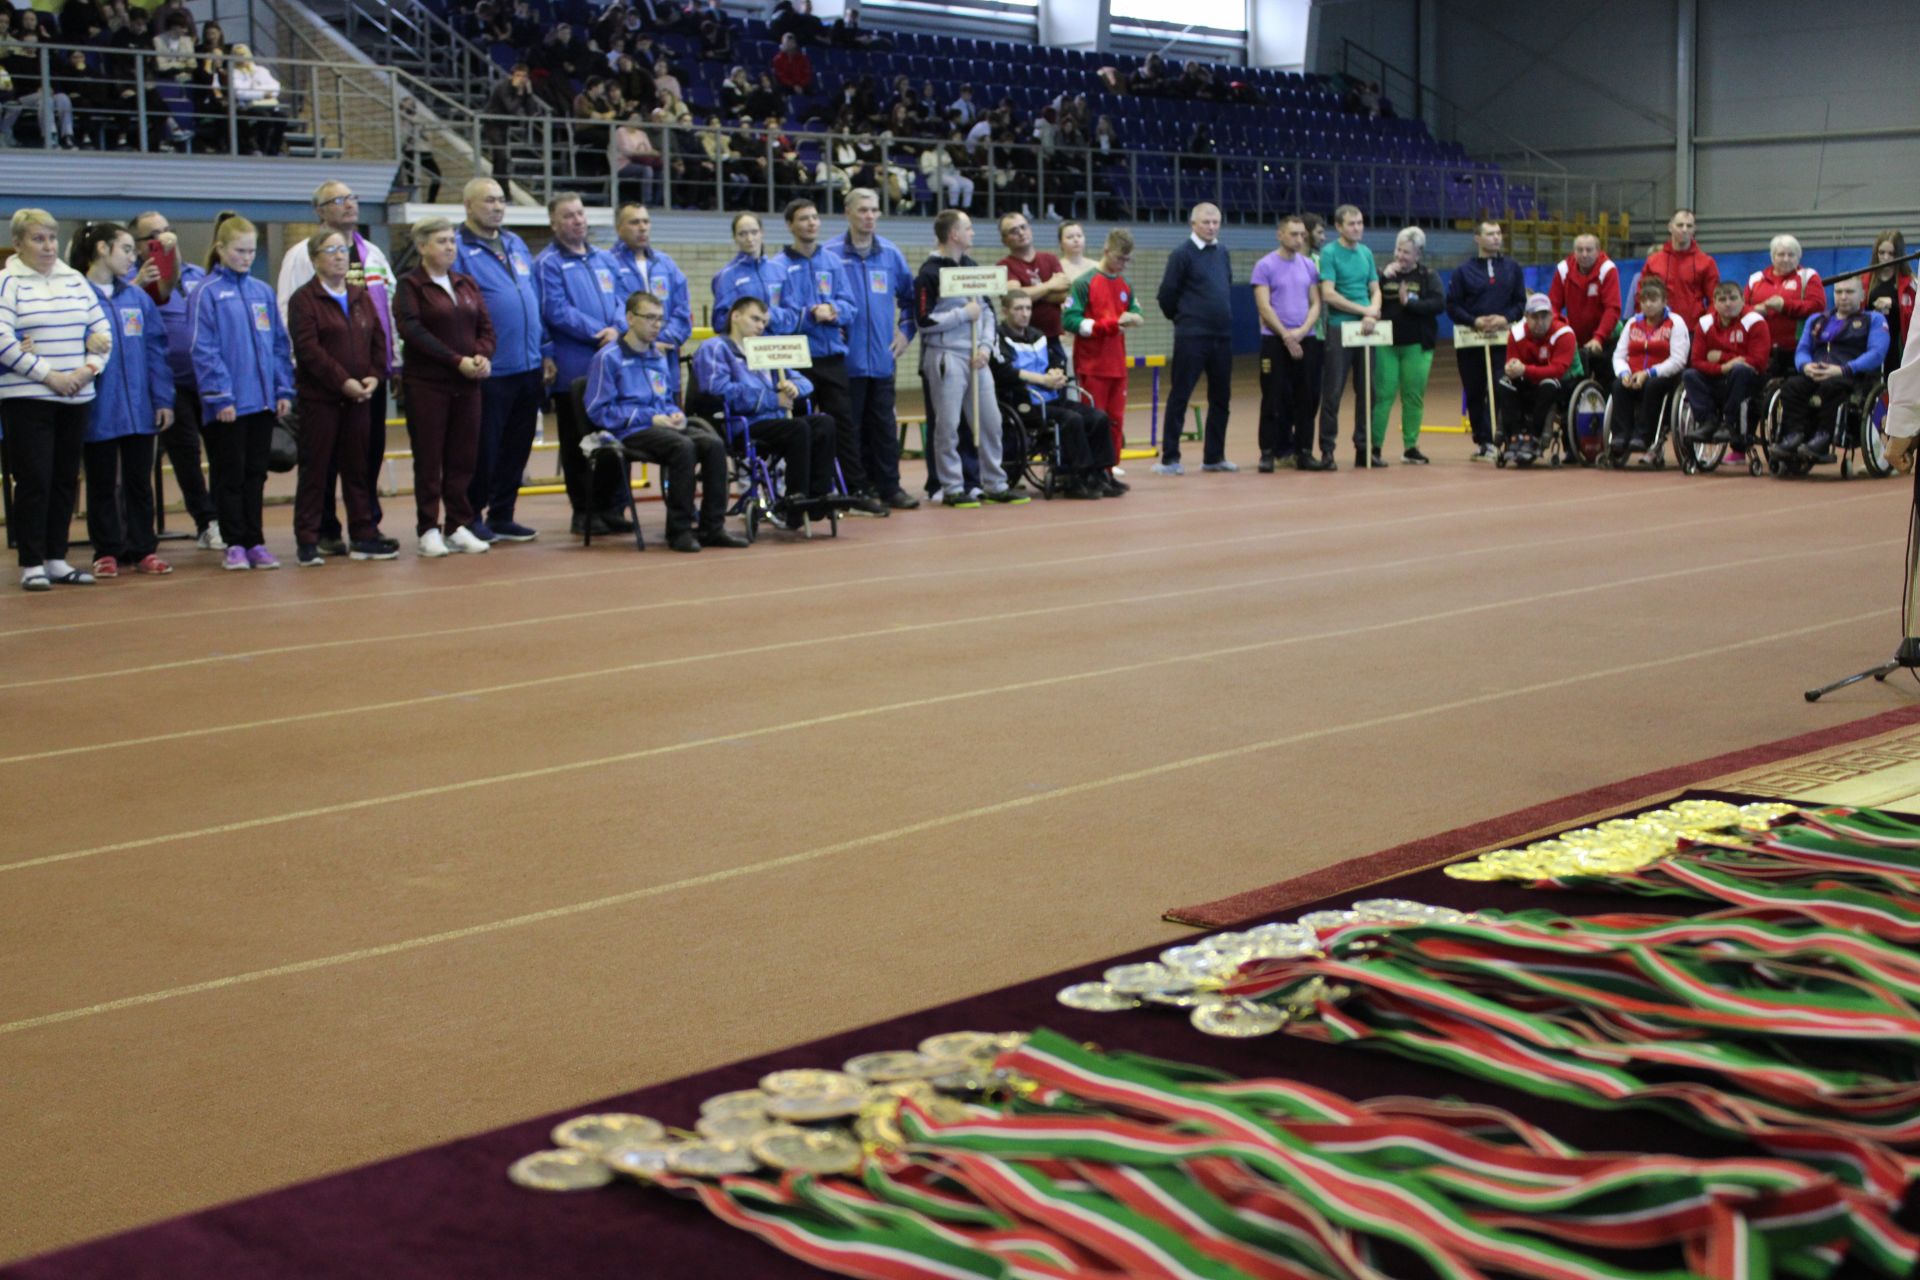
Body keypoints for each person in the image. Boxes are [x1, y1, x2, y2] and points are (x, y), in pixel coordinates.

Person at [276, 180, 397, 555]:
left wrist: (382, 369)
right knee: (321, 464)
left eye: (352, 198)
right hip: (322, 384)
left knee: (364, 459)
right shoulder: (300, 255)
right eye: (338, 200)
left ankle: (366, 528)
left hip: (368, 381)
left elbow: (384, 316)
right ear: (320, 211)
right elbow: (291, 316)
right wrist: (313, 371)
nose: (348, 205)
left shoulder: (372, 252)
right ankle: (322, 531)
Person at [583, 291, 744, 551]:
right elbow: (598, 410)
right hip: (628, 431)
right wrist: (651, 417)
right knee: (683, 448)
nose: (657, 325)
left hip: (662, 425)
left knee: (713, 444)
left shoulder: (658, 357)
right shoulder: (608, 358)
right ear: (630, 318)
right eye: (650, 318)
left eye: (660, 319)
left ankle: (712, 527)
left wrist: (673, 412)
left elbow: (665, 398)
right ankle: (679, 530)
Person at [766, 198, 888, 514]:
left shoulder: (832, 262)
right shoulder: (777, 266)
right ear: (790, 225)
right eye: (804, 218)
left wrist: (834, 311)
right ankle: (802, 494)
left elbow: (851, 306)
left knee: (843, 425)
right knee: (803, 427)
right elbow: (773, 315)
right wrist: (809, 314)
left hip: (831, 357)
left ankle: (856, 490)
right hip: (797, 361)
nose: (811, 223)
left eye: (815, 217)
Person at [191, 214, 293, 570]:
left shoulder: (261, 292)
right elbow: (203, 349)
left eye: (252, 251)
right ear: (220, 250)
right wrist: (220, 396)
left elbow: (279, 345)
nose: (247, 257)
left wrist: (282, 388)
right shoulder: (206, 294)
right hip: (229, 406)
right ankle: (234, 542)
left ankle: (255, 540)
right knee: (229, 474)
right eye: (239, 250)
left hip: (263, 402)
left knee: (255, 474)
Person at [690, 294, 838, 532]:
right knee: (798, 428)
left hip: (776, 422)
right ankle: (794, 500)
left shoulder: (763, 347)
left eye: (764, 321)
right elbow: (718, 390)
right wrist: (771, 399)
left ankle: (819, 496)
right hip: (741, 424)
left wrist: (794, 387)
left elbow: (804, 381)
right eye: (755, 319)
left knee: (824, 422)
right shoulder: (715, 347)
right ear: (735, 316)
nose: (761, 326)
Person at [76, 221, 171, 579]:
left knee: (138, 481)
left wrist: (162, 399)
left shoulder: (138, 299)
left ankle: (144, 548)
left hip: (139, 408)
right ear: (102, 249)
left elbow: (156, 351)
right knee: (101, 482)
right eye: (127, 249)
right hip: (98, 406)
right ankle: (106, 550)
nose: (134, 256)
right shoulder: (78, 295)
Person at [395, 217, 494, 557]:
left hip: (467, 386)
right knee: (429, 458)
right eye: (441, 241)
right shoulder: (410, 286)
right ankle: (428, 528)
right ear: (422, 246)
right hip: (428, 385)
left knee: (462, 457)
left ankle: (458, 524)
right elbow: (414, 333)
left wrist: (482, 356)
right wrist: (456, 361)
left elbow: (485, 326)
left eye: (452, 240)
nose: (450, 247)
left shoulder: (466, 283)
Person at [535, 193, 633, 536]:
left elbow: (623, 301)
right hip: (576, 365)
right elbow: (555, 310)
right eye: (568, 216)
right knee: (579, 443)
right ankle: (585, 511)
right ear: (553, 223)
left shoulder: (603, 259)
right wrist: (597, 332)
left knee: (613, 436)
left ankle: (613, 507)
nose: (577, 220)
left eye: (580, 213)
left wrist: (618, 328)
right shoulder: (548, 263)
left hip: (613, 362)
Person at [456, 177, 547, 544]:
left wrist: (546, 350)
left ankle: (503, 514)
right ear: (468, 207)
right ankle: (472, 515)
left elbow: (533, 298)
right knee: (484, 447)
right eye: (488, 201)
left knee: (518, 444)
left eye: (500, 200)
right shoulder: (460, 248)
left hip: (529, 362)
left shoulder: (514, 243)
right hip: (491, 367)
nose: (497, 207)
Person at [916, 209, 1026, 508]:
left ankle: (995, 483)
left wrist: (986, 348)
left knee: (992, 422)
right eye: (968, 228)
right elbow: (923, 321)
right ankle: (952, 486)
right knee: (948, 425)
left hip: (977, 357)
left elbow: (988, 312)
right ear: (954, 234)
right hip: (946, 356)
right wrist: (962, 314)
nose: (973, 233)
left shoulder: (972, 267)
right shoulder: (929, 271)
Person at [127, 209, 218, 548]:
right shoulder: (132, 282)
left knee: (223, 451)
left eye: (168, 231)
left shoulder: (197, 275)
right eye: (154, 235)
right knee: (186, 454)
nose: (164, 239)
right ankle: (205, 520)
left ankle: (224, 517)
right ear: (138, 246)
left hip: (206, 378)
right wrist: (137, 284)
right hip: (169, 381)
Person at [835, 188, 920, 510]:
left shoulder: (891, 254)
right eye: (862, 210)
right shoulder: (831, 255)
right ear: (848, 212)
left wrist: (905, 333)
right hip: (847, 361)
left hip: (883, 359)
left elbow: (910, 302)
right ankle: (857, 489)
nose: (869, 216)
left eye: (874, 210)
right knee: (851, 429)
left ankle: (890, 488)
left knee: (884, 426)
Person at [992, 289, 1119, 498]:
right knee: (1072, 420)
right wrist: (1042, 380)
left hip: (1051, 397)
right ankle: (1076, 476)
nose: (1024, 313)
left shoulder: (1038, 335)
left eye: (1028, 308)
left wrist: (1056, 373)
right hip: (1024, 402)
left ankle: (1101, 474)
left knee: (1098, 417)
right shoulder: (999, 337)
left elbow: (1054, 361)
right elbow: (1004, 371)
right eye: (1018, 309)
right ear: (1005, 311)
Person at [1153, 202, 1234, 474]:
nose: (1211, 227)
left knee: (1221, 397)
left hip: (1222, 336)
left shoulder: (1222, 252)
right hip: (1192, 336)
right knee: (1180, 396)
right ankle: (1170, 458)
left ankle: (1214, 457)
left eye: (1216, 222)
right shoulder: (1181, 255)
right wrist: (1184, 319)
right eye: (1206, 222)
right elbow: (1166, 295)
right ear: (1193, 224)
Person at [1774, 276, 1890, 461]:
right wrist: (1805, 366)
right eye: (1839, 292)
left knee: (1832, 387)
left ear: (1862, 295)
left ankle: (1823, 437)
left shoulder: (1873, 319)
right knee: (1791, 386)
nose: (1843, 296)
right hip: (1816, 372)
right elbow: (1803, 349)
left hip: (1851, 376)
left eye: (1849, 292)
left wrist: (1844, 369)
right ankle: (1794, 435)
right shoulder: (1817, 319)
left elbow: (1877, 353)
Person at [1444, 218, 1526, 460]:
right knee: (1474, 390)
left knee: (1503, 387)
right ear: (1477, 239)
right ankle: (1483, 441)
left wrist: (1505, 318)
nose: (1496, 238)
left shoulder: (1513, 268)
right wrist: (1474, 321)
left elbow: (1520, 303)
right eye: (1490, 234)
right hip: (1472, 343)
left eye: (1499, 233)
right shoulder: (1462, 272)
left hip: (1504, 342)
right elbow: (1453, 305)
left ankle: (1503, 436)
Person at [1063, 227, 1143, 471]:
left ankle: (1110, 465)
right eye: (1120, 258)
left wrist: (1136, 317)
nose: (1123, 264)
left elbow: (1135, 310)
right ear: (1106, 251)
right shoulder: (1084, 283)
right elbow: (1069, 320)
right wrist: (1107, 326)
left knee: (1116, 419)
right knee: (1095, 418)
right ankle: (1092, 468)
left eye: (1127, 260)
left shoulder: (1125, 284)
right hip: (1092, 364)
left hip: (1118, 364)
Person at [1250, 214, 1322, 472]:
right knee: (1272, 396)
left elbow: (1315, 303)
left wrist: (1302, 331)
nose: (1299, 239)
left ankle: (1304, 452)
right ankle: (1268, 452)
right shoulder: (1264, 266)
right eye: (1293, 234)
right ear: (1280, 235)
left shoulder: (1309, 266)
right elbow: (1263, 306)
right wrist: (1286, 334)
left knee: (1306, 397)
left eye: (1302, 234)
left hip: (1306, 340)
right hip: (1275, 341)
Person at [1317, 203, 1382, 469]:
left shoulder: (1366, 252)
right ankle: (1327, 450)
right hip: (1340, 328)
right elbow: (1329, 294)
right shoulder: (1330, 253)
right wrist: (1363, 309)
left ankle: (1363, 449)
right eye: (1352, 224)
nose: (1357, 228)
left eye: (1360, 223)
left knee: (1369, 392)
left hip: (1367, 328)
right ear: (1339, 227)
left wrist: (1372, 312)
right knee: (1333, 391)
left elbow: (1375, 288)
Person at [1373, 224, 1441, 465]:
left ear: (1418, 255)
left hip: (1417, 345)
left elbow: (1437, 304)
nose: (1401, 256)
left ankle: (1410, 447)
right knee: (1383, 395)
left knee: (1413, 396)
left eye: (1407, 252)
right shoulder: (1383, 274)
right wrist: (1381, 277)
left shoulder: (1427, 276)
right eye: (1398, 250)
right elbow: (1369, 297)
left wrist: (1409, 302)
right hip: (1386, 344)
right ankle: (1374, 447)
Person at [1608, 275, 1689, 457]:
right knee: (1618, 386)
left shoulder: (1675, 323)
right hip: (1633, 375)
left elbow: (1678, 359)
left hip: (1664, 377)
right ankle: (1621, 435)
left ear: (1664, 301)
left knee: (1653, 386)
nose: (1648, 304)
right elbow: (1619, 355)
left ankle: (1644, 436)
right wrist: (1625, 373)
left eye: (1653, 300)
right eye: (1644, 300)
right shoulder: (1632, 323)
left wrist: (1649, 373)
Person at [1682, 281, 1769, 449]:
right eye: (1722, 300)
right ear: (1714, 302)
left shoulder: (1755, 321)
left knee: (1739, 370)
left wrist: (1721, 357)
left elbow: (1758, 361)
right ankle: (1707, 422)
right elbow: (1697, 361)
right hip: (1718, 377)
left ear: (1743, 300)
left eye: (1733, 298)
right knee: (1689, 375)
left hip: (1748, 380)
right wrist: (1724, 366)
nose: (1728, 303)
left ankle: (1729, 423)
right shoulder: (1705, 323)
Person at [1495, 293, 1573, 465]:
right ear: (1526, 318)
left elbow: (1557, 370)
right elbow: (1512, 362)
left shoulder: (1564, 334)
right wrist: (1510, 368)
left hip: (1555, 386)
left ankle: (1535, 437)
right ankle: (1514, 437)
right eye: (1534, 317)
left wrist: (1525, 370)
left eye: (1544, 316)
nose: (1539, 322)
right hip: (1526, 383)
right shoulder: (1515, 334)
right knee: (1503, 383)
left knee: (1549, 384)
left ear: (1551, 316)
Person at [609, 203, 689, 363]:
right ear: (619, 228)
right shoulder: (608, 264)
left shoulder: (666, 264)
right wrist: (644, 343)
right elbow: (613, 312)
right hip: (628, 358)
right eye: (634, 222)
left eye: (646, 222)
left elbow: (682, 310)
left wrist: (666, 338)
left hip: (665, 355)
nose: (642, 227)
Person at [1549, 233, 1622, 394]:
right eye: (1579, 250)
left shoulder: (1607, 269)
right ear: (1574, 251)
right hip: (1575, 338)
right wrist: (1562, 332)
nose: (1584, 254)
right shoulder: (1563, 269)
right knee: (1573, 381)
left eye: (1589, 250)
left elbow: (1612, 308)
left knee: (1607, 381)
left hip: (1605, 337)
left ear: (1598, 251)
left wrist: (1599, 337)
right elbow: (1553, 307)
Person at [1743, 234, 1824, 378]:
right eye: (1781, 254)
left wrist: (1784, 305)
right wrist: (1755, 310)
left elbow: (1817, 306)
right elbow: (1740, 312)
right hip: (1761, 349)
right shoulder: (1755, 279)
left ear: (1799, 257)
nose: (1786, 259)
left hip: (1796, 348)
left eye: (1791, 254)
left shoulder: (1808, 276)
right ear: (1772, 256)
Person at [1640, 209, 1718, 328]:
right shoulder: (1653, 261)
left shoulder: (1707, 263)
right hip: (1657, 329)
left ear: (1694, 229)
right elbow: (1641, 295)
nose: (1684, 229)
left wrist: (1704, 327)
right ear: (1670, 227)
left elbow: (1715, 300)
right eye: (1680, 225)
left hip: (1693, 330)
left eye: (1689, 226)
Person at [996, 211, 1068, 340]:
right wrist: (1050, 285)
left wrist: (1029, 292)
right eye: (1013, 231)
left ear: (1030, 229)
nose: (1021, 233)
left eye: (1023, 227)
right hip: (1020, 338)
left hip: (1052, 338)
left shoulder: (1050, 259)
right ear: (1004, 240)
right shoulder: (1003, 266)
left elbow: (1063, 294)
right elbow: (1014, 298)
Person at [711, 211, 776, 336]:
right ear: (734, 238)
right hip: (744, 350)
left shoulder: (779, 271)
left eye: (754, 232)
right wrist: (749, 320)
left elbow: (793, 314)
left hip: (778, 350)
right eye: (742, 234)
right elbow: (719, 323)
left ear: (762, 233)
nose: (750, 239)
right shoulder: (726, 277)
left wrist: (772, 316)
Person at [1861, 230, 1914, 380]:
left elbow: (1915, 318)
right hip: (1870, 341)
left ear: (1899, 254)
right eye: (1881, 252)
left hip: (1898, 343)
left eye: (1891, 254)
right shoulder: (1864, 280)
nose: (1885, 258)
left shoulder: (1910, 283)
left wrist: (1895, 305)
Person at [481, 63, 542, 178]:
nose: (521, 79)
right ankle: (503, 187)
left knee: (501, 159)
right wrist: (518, 92)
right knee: (501, 156)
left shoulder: (524, 89)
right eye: (518, 75)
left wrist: (529, 94)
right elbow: (511, 108)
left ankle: (501, 184)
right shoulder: (503, 86)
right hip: (492, 122)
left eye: (524, 76)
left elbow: (531, 112)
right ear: (512, 76)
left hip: (503, 125)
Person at [227, 44, 284, 155]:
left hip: (267, 105)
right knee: (264, 117)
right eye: (238, 55)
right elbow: (240, 93)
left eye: (244, 54)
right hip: (247, 106)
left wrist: (255, 90)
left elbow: (275, 87)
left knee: (282, 117)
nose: (242, 57)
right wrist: (262, 93)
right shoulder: (233, 73)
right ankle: (260, 149)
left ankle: (274, 149)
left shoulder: (261, 70)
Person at [1057, 221, 1096, 286]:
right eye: (1069, 237)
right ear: (1061, 243)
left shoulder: (1097, 266)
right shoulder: (1057, 268)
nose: (1076, 240)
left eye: (1079, 236)